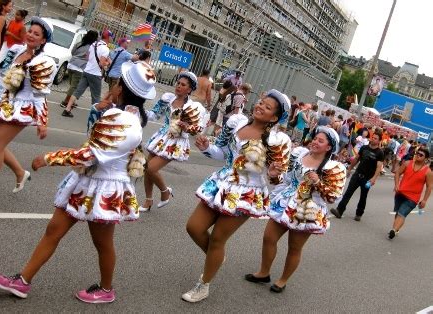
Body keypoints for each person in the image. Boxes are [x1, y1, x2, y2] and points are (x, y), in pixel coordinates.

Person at [0, 61, 156, 303]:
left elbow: (89, 154)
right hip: (87, 181)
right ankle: (23, 281)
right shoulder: (127, 116)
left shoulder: (122, 120)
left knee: (102, 243)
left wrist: (49, 158)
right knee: (53, 230)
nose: (113, 84)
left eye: (116, 81)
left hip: (104, 188)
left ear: (120, 88)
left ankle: (106, 289)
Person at [182, 89, 291, 303]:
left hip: (247, 192)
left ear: (275, 117)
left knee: (217, 240)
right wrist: (207, 148)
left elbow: (278, 176)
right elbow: (222, 152)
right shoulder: (236, 123)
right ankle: (217, 258)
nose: (260, 106)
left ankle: (203, 285)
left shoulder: (278, 140)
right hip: (220, 184)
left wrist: (273, 174)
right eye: (261, 102)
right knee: (193, 227)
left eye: (267, 107)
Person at [245, 126, 346, 293]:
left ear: (329, 148)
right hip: (284, 202)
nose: (315, 142)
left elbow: (333, 197)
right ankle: (264, 272)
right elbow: (285, 180)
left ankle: (282, 280)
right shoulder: (299, 154)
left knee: (294, 247)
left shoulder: (333, 167)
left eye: (320, 141)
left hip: (307, 210)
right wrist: (273, 174)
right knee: (268, 238)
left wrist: (318, 183)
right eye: (315, 138)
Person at [0, 17, 56, 198]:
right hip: (6, 102)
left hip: (23, 108)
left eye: (36, 34)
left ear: (43, 40)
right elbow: (3, 79)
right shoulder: (18, 51)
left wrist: (42, 121)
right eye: (30, 31)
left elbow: (40, 95)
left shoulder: (43, 62)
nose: (31, 35)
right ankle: (21, 173)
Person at [138, 72, 205, 212]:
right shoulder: (167, 98)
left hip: (176, 142)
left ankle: (165, 192)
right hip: (161, 138)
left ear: (189, 89)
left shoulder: (194, 107)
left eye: (183, 85)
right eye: (178, 83)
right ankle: (148, 200)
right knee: (147, 170)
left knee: (151, 168)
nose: (179, 86)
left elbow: (197, 129)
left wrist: (187, 127)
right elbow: (154, 115)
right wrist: (139, 110)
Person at [331, 132, 384, 221]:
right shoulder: (364, 148)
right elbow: (356, 159)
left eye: (375, 138)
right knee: (348, 192)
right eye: (373, 137)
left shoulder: (380, 153)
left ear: (379, 141)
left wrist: (374, 178)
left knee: (363, 196)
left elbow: (379, 167)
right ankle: (339, 210)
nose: (373, 139)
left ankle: (359, 213)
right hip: (357, 174)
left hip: (367, 178)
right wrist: (349, 169)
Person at [62, 29, 112, 118]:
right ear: (108, 37)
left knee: (77, 91)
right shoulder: (105, 49)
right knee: (96, 96)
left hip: (86, 71)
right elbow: (101, 63)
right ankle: (95, 115)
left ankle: (67, 109)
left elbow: (87, 56)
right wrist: (108, 63)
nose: (112, 38)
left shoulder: (94, 44)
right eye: (111, 37)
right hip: (95, 74)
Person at [388, 147, 432, 239]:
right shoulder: (407, 163)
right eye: (417, 153)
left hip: (412, 198)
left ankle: (393, 230)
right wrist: (396, 185)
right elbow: (397, 173)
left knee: (401, 213)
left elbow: (429, 186)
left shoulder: (428, 172)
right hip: (400, 193)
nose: (418, 155)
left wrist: (424, 200)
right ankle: (396, 229)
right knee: (398, 212)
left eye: (421, 155)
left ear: (426, 158)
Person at [59, 30, 98, 108]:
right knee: (74, 86)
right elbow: (90, 58)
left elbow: (72, 52)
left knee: (72, 85)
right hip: (79, 68)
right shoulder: (92, 48)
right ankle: (66, 101)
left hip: (71, 64)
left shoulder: (80, 43)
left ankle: (71, 101)